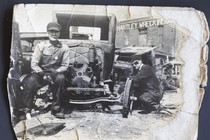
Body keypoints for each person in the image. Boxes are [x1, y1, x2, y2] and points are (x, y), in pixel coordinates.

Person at [21, 22, 70, 119]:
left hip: (55, 74)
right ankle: (27, 110)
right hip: (40, 74)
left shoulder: (64, 48)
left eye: (56, 32)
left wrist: (56, 72)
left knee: (61, 79)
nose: (54, 34)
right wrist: (41, 73)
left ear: (59, 33)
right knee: (30, 82)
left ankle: (56, 109)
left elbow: (65, 66)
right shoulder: (41, 46)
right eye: (51, 31)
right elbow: (34, 64)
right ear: (47, 32)